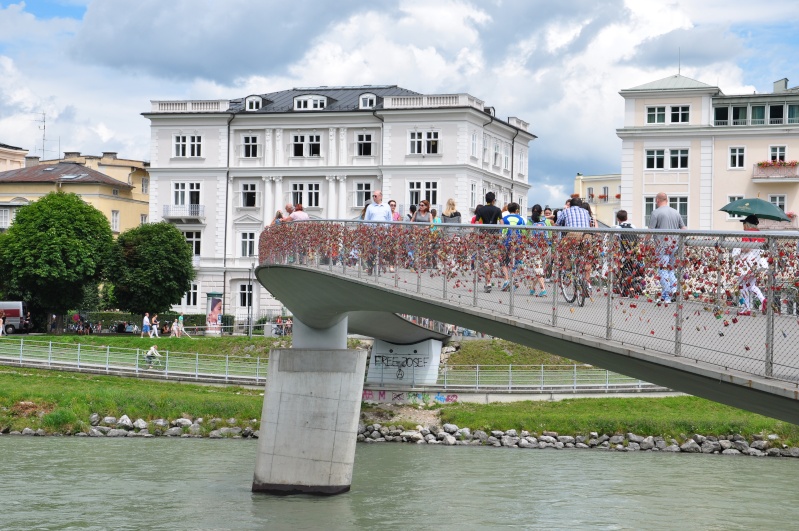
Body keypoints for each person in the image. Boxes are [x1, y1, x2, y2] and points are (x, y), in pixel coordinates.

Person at [648, 192, 686, 304]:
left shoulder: (655, 213)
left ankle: (667, 296)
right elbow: (684, 228)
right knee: (671, 269)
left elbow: (650, 231)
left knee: (663, 270)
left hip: (662, 245)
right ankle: (674, 290)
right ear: (667, 200)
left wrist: (645, 243)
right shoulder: (676, 212)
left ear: (657, 200)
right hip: (675, 245)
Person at [732, 215, 767, 316]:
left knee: (742, 284)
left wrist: (738, 248)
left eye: (744, 223)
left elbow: (747, 248)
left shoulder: (747, 233)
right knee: (751, 284)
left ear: (747, 224)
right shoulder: (760, 234)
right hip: (757, 263)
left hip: (747, 263)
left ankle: (746, 308)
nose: (743, 226)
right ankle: (763, 300)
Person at [475, 192, 503, 292]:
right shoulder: (498, 210)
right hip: (494, 236)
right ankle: (489, 280)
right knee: (492, 259)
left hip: (484, 236)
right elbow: (501, 223)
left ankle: (488, 282)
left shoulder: (480, 210)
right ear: (493, 200)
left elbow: (477, 223)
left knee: (485, 259)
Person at [614, 210, 643, 297]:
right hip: (634, 252)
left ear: (618, 219)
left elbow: (615, 240)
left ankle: (627, 289)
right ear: (627, 217)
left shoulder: (618, 228)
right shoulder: (633, 226)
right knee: (633, 269)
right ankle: (635, 287)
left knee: (624, 270)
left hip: (624, 252)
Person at [500, 202, 526, 291]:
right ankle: (514, 278)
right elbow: (523, 232)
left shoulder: (504, 219)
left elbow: (502, 231)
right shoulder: (521, 219)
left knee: (504, 262)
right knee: (519, 262)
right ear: (517, 210)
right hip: (518, 242)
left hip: (507, 242)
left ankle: (507, 280)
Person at [527, 204, 551, 296]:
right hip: (545, 247)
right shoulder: (546, 221)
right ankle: (533, 288)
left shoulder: (530, 221)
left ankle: (543, 289)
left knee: (538, 269)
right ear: (541, 212)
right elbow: (550, 233)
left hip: (534, 247)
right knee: (540, 269)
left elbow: (526, 233)